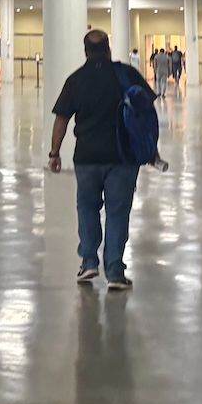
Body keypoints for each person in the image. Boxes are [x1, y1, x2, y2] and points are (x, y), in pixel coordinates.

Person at [48, 29, 144, 291]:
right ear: (109, 49)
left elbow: (62, 119)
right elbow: (145, 111)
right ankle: (114, 272)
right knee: (117, 212)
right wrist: (149, 148)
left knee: (87, 207)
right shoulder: (126, 75)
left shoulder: (76, 79)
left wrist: (55, 153)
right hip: (122, 157)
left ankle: (89, 261)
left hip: (87, 157)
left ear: (85, 52)